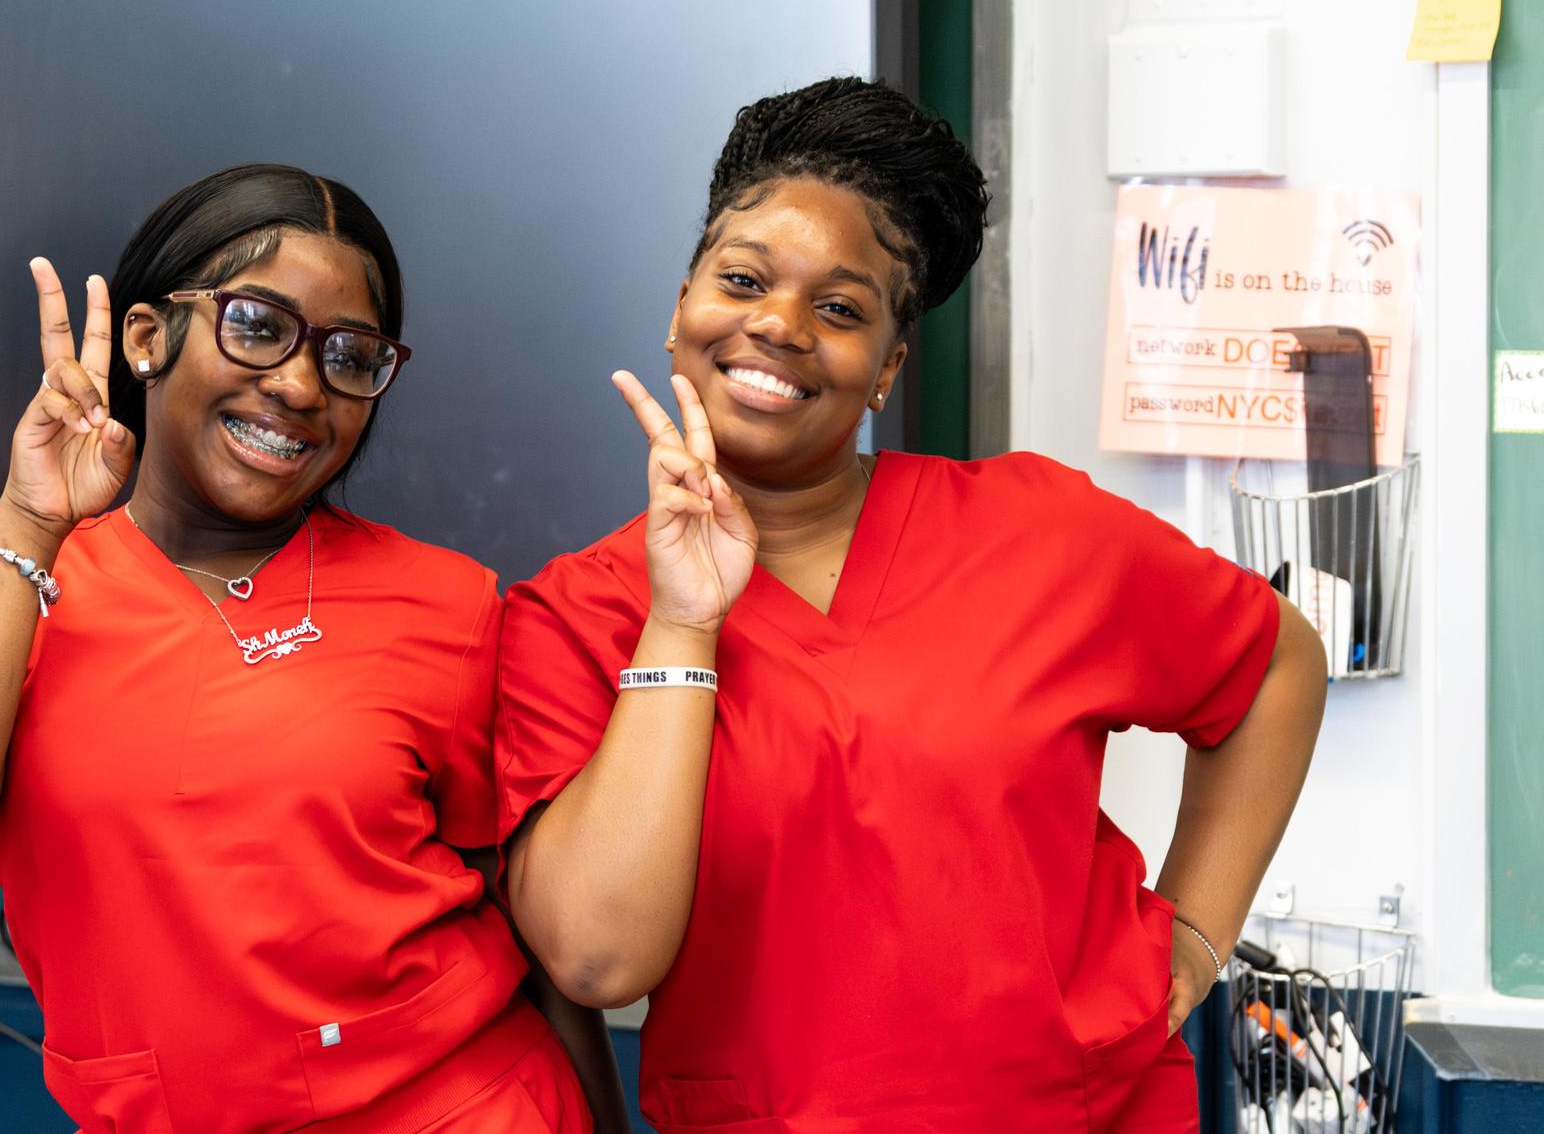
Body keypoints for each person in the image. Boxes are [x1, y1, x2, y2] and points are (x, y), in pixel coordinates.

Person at [494, 79, 1329, 1133]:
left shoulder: (1040, 533)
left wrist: (1201, 932)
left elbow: (1273, 666)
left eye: (839, 309)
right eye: (743, 278)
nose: (779, 324)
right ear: (681, 308)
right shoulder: (571, 617)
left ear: (887, 365)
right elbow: (596, 954)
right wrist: (685, 621)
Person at [0, 165, 620, 1133]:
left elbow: (528, 920)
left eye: (350, 354)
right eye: (256, 324)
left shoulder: (448, 602)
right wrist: (31, 521)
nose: (299, 384)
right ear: (146, 335)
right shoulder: (4, 582)